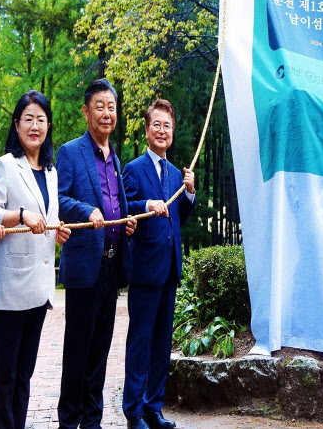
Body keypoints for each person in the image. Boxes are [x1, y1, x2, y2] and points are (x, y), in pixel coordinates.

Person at [56, 78, 137, 429]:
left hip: (111, 267)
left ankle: (92, 420)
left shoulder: (115, 159)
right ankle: (69, 421)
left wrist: (125, 224)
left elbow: (115, 204)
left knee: (101, 350)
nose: (107, 113)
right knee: (78, 350)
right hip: (83, 266)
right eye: (100, 107)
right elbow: (56, 200)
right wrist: (85, 211)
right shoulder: (70, 152)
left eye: (112, 107)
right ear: (86, 111)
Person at [0, 91, 71, 428]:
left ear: (48, 125)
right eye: (28, 119)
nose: (34, 126)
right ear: (17, 124)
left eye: (40, 119)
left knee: (24, 376)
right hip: (10, 289)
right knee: (6, 375)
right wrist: (20, 215)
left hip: (39, 289)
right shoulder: (6, 165)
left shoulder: (51, 172)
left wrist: (57, 232)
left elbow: (47, 220)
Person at [123, 99, 196, 429]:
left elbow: (178, 217)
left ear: (173, 131)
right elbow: (125, 209)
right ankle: (133, 411)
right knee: (140, 343)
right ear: (147, 129)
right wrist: (146, 203)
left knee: (162, 345)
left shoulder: (174, 172)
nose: (162, 131)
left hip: (169, 270)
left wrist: (190, 193)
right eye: (157, 125)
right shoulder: (133, 169)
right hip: (145, 271)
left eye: (168, 126)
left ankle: (154, 407)